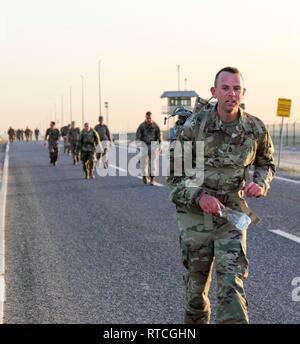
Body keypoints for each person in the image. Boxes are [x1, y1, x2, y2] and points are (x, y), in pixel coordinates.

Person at [167, 67, 276, 324]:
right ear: (214, 92)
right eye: (225, 88)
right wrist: (199, 197)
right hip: (196, 217)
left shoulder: (255, 128)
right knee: (195, 295)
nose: (231, 94)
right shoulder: (195, 126)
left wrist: (260, 183)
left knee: (231, 286)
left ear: (243, 93)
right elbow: (174, 178)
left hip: (232, 214)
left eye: (236, 88)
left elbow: (266, 162)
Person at [136, 111, 161, 185]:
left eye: (149, 118)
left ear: (151, 117)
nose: (148, 119)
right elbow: (138, 136)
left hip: (153, 145)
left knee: (153, 163)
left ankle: (152, 179)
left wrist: (159, 146)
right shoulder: (142, 126)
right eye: (147, 118)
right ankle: (144, 176)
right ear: (145, 117)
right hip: (144, 145)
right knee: (143, 163)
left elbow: (159, 136)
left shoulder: (155, 126)